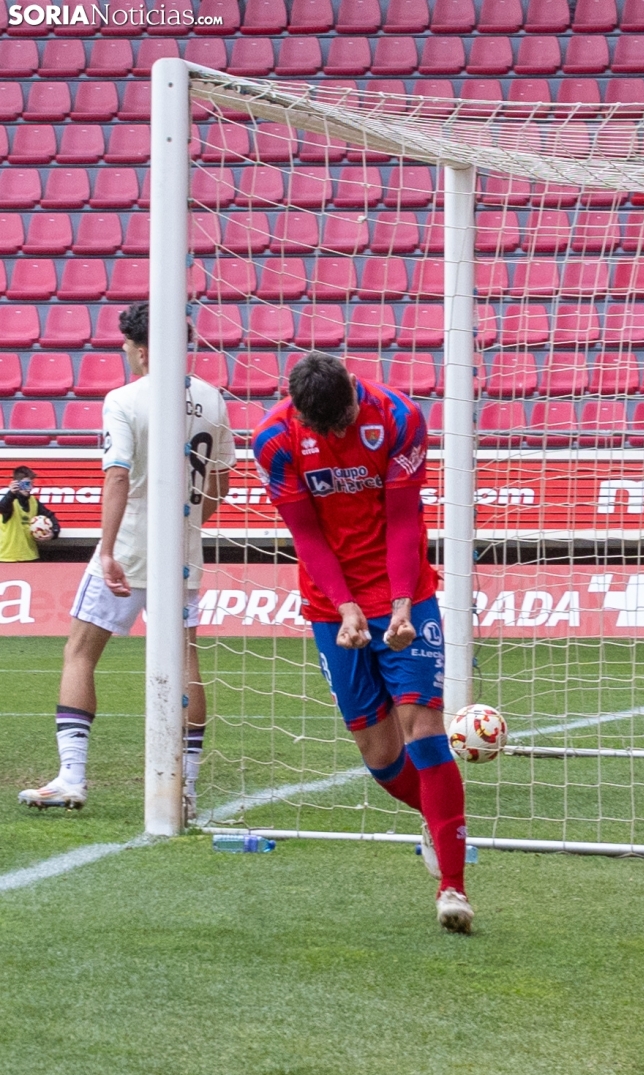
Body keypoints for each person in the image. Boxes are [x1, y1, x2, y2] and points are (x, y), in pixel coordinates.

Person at [252, 352, 473, 934]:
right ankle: (435, 815)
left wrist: (400, 602)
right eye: (325, 430)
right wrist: (346, 607)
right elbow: (306, 535)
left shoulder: (399, 417)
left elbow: (404, 518)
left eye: (345, 421)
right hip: (332, 603)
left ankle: (454, 887)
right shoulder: (273, 439)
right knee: (379, 757)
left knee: (422, 729)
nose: (339, 434)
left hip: (406, 593)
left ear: (354, 387)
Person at [19, 302, 235, 820]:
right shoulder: (212, 399)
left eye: (126, 346)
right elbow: (222, 480)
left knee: (80, 651)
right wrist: (189, 522)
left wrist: (109, 549)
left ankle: (71, 776)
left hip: (135, 540)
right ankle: (186, 788)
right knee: (186, 658)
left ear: (142, 349)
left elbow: (116, 476)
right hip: (183, 545)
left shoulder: (124, 398)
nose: (123, 352)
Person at [0, 466, 60, 561]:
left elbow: (50, 516)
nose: (29, 488)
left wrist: (54, 533)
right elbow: (2, 508)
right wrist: (11, 493)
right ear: (17, 484)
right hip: (8, 557)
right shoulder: (10, 501)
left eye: (31, 484)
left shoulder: (33, 501)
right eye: (26, 484)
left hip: (30, 555)